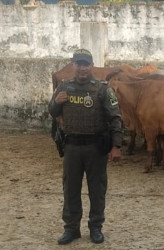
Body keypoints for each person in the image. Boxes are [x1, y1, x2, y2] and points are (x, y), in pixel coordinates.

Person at [48, 49, 123, 245]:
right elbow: (52, 110)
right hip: (72, 147)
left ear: (91, 66)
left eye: (86, 64)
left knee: (97, 190)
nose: (82, 68)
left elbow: (115, 118)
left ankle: (96, 227)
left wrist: (116, 146)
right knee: (70, 189)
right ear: (73, 65)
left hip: (95, 148)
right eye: (78, 64)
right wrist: (56, 102)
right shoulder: (64, 87)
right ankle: (71, 229)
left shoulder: (102, 89)